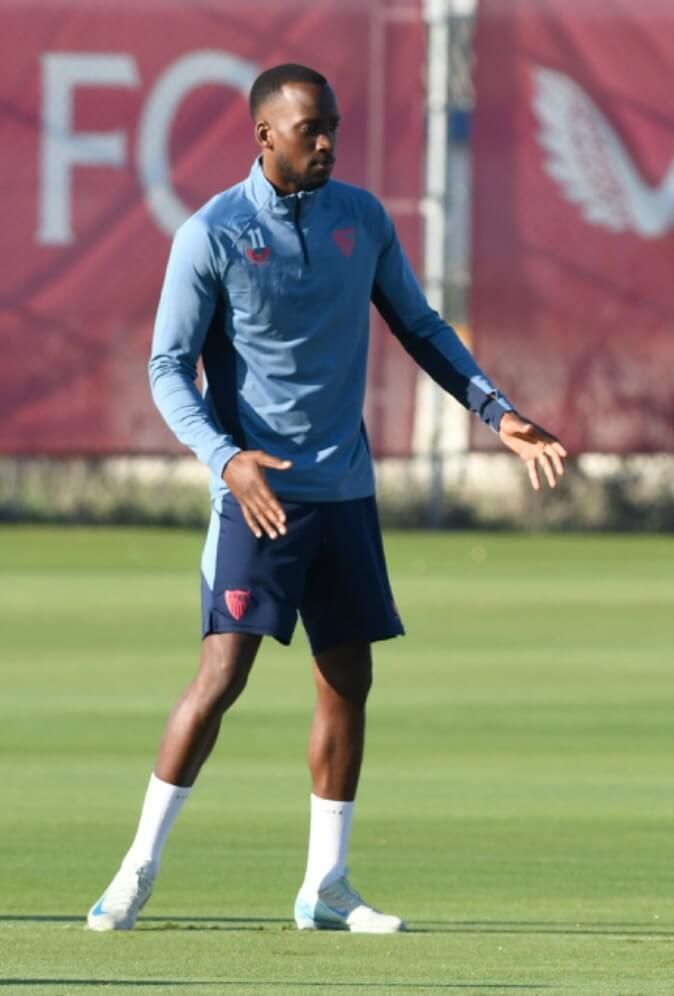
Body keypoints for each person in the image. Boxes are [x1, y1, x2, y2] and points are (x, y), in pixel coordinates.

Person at [86, 64, 567, 933]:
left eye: (333, 126)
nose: (327, 143)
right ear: (264, 136)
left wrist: (496, 414)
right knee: (223, 672)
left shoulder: (363, 219)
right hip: (257, 495)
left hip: (344, 490)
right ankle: (135, 868)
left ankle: (327, 888)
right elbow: (167, 369)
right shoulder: (213, 234)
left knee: (349, 677)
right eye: (310, 129)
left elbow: (421, 327)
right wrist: (227, 459)